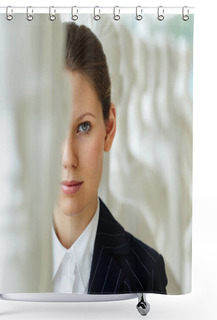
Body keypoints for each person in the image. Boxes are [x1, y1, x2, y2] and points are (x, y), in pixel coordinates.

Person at [52, 22, 168, 294]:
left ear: (109, 128)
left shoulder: (146, 271)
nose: (69, 159)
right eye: (55, 126)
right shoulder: (3, 267)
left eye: (84, 127)